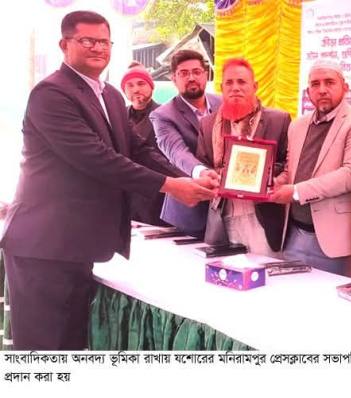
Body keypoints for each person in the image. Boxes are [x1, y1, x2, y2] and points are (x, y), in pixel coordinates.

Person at [0, 11, 218, 350]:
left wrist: (194, 175)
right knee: (43, 348)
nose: (98, 48)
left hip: (78, 243)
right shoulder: (51, 94)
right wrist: (170, 187)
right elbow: (96, 158)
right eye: (87, 41)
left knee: (71, 343)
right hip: (44, 246)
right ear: (64, 45)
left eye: (104, 41)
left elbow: (138, 148)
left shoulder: (110, 95)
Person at [270, 59, 351, 276]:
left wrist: (296, 192)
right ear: (308, 91)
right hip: (293, 234)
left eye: (329, 82)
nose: (322, 89)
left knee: (331, 298)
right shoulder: (297, 125)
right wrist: (272, 184)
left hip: (333, 242)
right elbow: (291, 171)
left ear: (345, 87)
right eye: (315, 84)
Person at [197, 58, 290, 256]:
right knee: (225, 269)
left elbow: (288, 163)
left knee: (265, 269)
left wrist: (264, 177)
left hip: (263, 215)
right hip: (223, 215)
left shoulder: (279, 119)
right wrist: (214, 178)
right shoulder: (207, 124)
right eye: (229, 83)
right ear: (221, 88)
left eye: (241, 82)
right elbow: (203, 164)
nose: (235, 88)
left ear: (254, 86)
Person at [150, 49, 222, 237]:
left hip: (230, 207)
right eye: (183, 73)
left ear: (206, 74)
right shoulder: (162, 115)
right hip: (190, 209)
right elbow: (177, 152)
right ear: (173, 78)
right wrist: (201, 172)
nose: (191, 78)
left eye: (196, 72)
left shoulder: (223, 104)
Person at [121, 61, 168, 226]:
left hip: (158, 198)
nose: (136, 89)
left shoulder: (166, 115)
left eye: (141, 83)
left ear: (151, 86)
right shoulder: (118, 115)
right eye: (130, 85)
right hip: (125, 198)